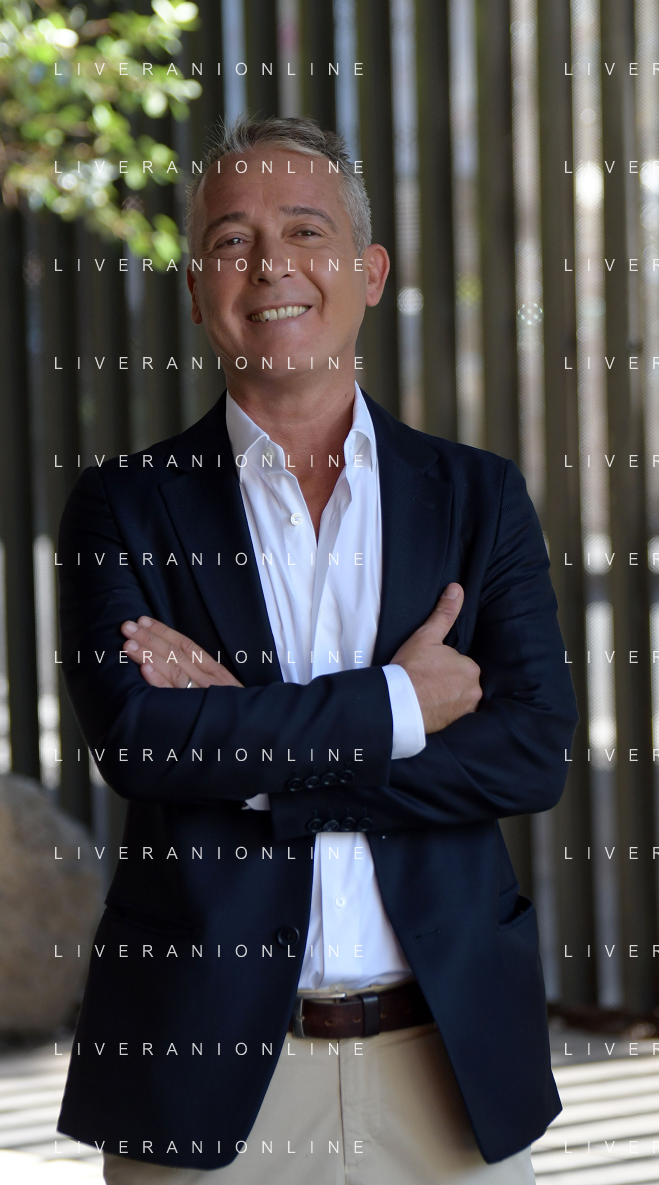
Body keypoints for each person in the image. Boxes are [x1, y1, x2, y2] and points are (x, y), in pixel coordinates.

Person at [55, 116, 578, 1185]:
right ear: (196, 289)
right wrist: (396, 706)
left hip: (444, 1066)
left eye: (305, 230)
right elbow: (143, 742)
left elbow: (529, 753)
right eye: (232, 240)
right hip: (198, 1068)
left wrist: (248, 753)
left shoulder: (478, 497)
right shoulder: (121, 506)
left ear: (368, 272)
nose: (270, 266)